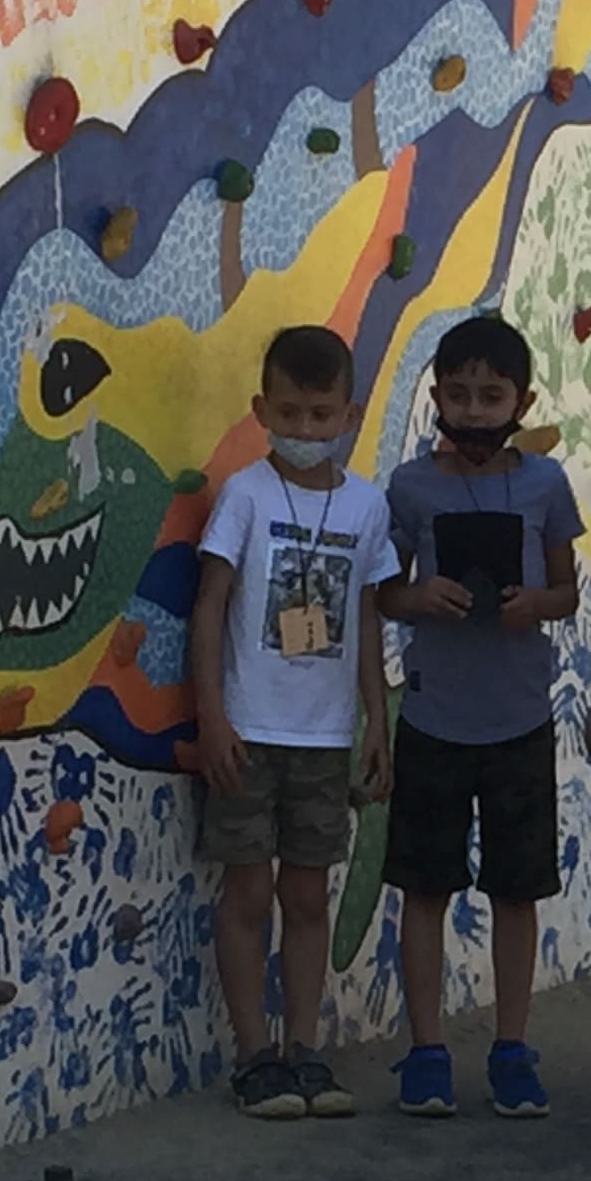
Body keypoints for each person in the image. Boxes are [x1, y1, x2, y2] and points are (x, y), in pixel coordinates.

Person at [191, 326, 399, 1119]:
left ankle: (304, 1049)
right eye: (288, 414)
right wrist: (212, 716)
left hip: (325, 736)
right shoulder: (244, 495)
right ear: (261, 409)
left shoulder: (367, 505)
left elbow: (369, 615)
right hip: (249, 731)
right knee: (248, 893)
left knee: (308, 897)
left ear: (348, 414)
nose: (304, 430)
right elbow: (210, 606)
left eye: (319, 415)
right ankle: (255, 1058)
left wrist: (374, 720)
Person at [377, 315, 583, 1117]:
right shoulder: (408, 487)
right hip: (433, 715)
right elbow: (384, 592)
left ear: (521, 402)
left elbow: (565, 591)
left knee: (515, 890)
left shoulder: (546, 485)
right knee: (424, 888)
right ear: (436, 396)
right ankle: (426, 1050)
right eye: (458, 394)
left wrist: (537, 604)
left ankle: (511, 1049)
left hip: (519, 717)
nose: (472, 410)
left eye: (490, 396)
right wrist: (417, 596)